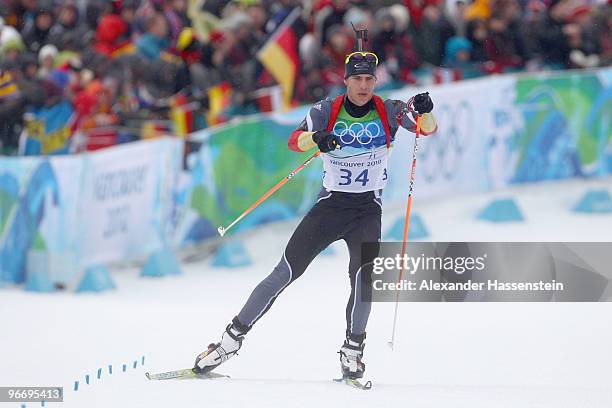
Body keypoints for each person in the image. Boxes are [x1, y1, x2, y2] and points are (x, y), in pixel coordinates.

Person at [193, 46, 437, 380]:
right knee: (285, 272)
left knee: (364, 281)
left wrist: (425, 110)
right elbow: (294, 141)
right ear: (347, 81)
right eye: (357, 79)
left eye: (369, 79)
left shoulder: (389, 110)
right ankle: (228, 342)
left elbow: (426, 128)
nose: (364, 86)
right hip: (330, 207)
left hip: (366, 211)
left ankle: (353, 351)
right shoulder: (327, 110)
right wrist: (316, 138)